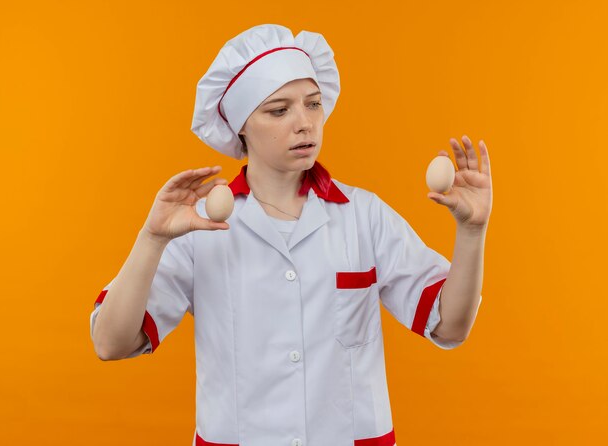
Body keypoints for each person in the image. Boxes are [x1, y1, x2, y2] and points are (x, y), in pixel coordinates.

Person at [90, 24, 493, 446]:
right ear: (241, 126)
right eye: (279, 110)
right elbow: (110, 342)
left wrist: (471, 232)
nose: (305, 124)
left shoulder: (364, 216)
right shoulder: (200, 227)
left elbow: (450, 327)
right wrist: (152, 237)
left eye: (313, 104)